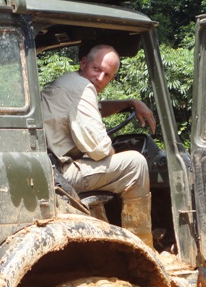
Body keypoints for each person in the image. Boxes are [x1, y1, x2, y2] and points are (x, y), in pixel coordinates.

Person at [40, 44, 157, 247]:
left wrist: (129, 102)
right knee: (135, 164)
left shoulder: (69, 82)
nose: (100, 78)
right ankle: (142, 245)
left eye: (107, 75)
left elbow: (98, 109)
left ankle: (106, 238)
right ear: (83, 63)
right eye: (96, 69)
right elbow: (100, 150)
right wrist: (112, 150)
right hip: (60, 174)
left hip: (48, 169)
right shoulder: (83, 89)